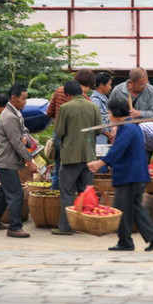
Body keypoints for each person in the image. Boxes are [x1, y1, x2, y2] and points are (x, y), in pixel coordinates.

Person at [87, 98, 153, 251]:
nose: (109, 117)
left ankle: (127, 241)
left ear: (116, 114)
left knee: (121, 208)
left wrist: (100, 163)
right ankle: (150, 237)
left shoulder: (128, 128)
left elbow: (117, 150)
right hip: (134, 174)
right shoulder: (129, 126)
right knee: (134, 207)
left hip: (130, 175)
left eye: (110, 113)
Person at [0, 83, 37, 238]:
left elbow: (24, 132)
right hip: (5, 161)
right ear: (14, 98)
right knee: (16, 193)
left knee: (4, 189)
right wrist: (29, 160)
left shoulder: (15, 113)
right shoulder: (9, 116)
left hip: (7, 160)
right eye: (23, 99)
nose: (25, 102)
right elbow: (16, 142)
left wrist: (27, 139)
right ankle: (14, 227)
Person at [51, 80, 102, 236]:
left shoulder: (65, 108)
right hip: (89, 157)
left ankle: (66, 227)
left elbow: (59, 132)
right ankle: (87, 225)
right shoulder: (94, 107)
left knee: (67, 192)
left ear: (67, 94)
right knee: (85, 191)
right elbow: (99, 131)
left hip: (70, 157)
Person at [46, 69, 96, 190]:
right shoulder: (87, 101)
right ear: (83, 85)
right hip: (74, 141)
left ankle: (54, 198)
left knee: (58, 168)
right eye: (88, 87)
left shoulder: (58, 91)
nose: (88, 90)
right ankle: (70, 200)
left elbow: (49, 112)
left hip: (58, 136)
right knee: (70, 172)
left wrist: (59, 117)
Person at [90, 72, 113, 144]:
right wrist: (108, 134)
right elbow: (99, 120)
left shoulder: (104, 98)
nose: (110, 87)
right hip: (99, 139)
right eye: (109, 84)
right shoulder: (95, 100)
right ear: (101, 85)